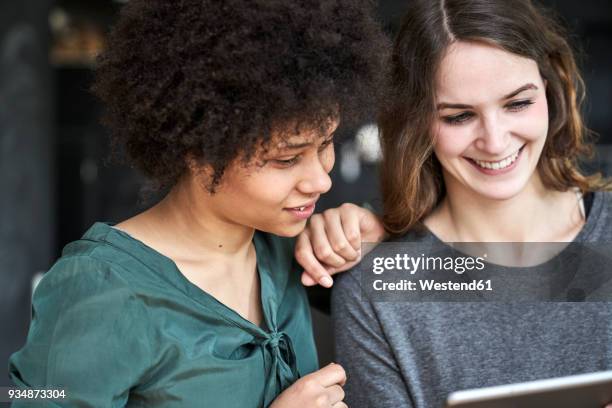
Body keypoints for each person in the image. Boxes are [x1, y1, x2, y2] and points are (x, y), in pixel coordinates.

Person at [8, 0, 388, 407]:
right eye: (286, 159)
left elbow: (458, 281)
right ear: (200, 148)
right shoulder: (99, 289)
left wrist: (379, 231)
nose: (321, 179)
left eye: (326, 144)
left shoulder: (286, 248)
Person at [295, 0, 612, 406]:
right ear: (417, 122)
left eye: (517, 103)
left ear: (550, 89)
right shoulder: (378, 289)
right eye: (459, 117)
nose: (495, 141)